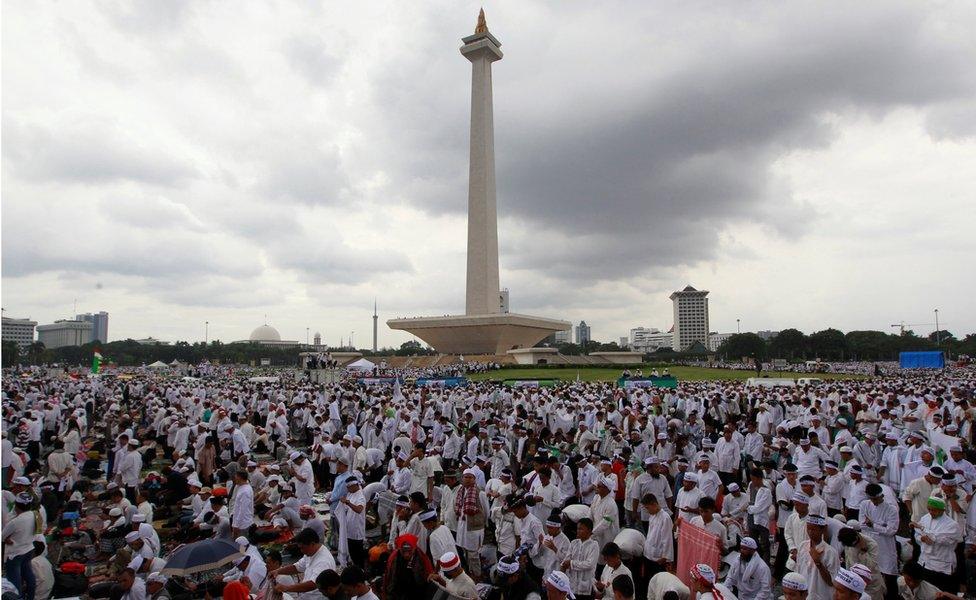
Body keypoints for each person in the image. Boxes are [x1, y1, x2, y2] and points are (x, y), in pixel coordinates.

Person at [910, 496, 962, 593]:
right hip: (925, 562)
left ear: (942, 510)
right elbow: (917, 534)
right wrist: (921, 538)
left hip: (941, 565)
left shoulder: (952, 525)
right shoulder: (925, 518)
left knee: (941, 593)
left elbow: (937, 538)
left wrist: (922, 529)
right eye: (929, 509)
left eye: (934, 510)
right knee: (927, 592)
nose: (931, 512)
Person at [270, 527, 338, 600]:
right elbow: (297, 567)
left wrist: (286, 588)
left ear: (312, 544)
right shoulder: (310, 552)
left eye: (302, 548)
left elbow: (313, 584)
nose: (301, 551)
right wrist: (277, 571)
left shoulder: (323, 561)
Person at [795, 514, 840, 600]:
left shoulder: (830, 552)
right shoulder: (802, 546)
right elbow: (798, 572)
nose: (810, 532)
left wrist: (818, 562)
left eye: (814, 529)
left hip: (822, 595)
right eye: (808, 528)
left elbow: (832, 582)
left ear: (822, 530)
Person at [3, 493, 37, 600]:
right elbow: (38, 531)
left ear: (16, 506)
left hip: (15, 554)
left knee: (15, 583)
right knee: (29, 576)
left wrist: (7, 538)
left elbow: (2, 536)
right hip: (29, 549)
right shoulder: (35, 515)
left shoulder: (15, 522)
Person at [383, 534, 434, 600]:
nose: (406, 555)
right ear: (399, 549)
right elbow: (388, 577)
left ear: (414, 548)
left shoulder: (421, 557)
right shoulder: (393, 558)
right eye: (403, 551)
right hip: (398, 593)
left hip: (418, 593)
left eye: (409, 551)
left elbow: (429, 573)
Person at [562, 517, 599, 600]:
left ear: (589, 530)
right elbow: (566, 560)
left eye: (581, 529)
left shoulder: (594, 545)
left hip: (585, 588)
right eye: (577, 529)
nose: (578, 531)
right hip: (572, 586)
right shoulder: (573, 543)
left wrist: (571, 563)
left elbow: (589, 564)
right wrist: (564, 565)